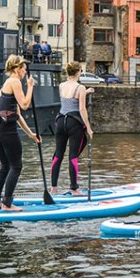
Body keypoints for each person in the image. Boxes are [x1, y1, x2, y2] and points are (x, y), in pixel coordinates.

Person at [0, 54, 41, 211]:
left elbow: (17, 114)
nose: (25, 73)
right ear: (17, 69)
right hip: (7, 132)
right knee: (16, 167)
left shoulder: (5, 85)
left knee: (5, 166)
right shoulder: (15, 81)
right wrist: (31, 86)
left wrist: (31, 134)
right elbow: (25, 104)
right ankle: (7, 204)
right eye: (24, 70)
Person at [51, 62, 94, 195]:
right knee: (73, 156)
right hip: (73, 123)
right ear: (77, 73)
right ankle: (74, 188)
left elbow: (69, 100)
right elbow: (81, 108)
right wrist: (88, 127)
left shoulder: (61, 85)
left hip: (60, 122)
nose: (81, 73)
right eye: (81, 71)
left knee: (58, 155)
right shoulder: (80, 87)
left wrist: (86, 92)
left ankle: (53, 188)